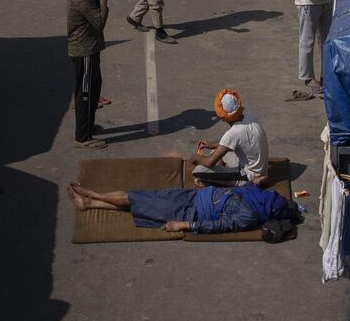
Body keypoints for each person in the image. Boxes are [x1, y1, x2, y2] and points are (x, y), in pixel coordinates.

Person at [66, 176, 299, 236]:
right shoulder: (254, 195)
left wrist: (183, 225)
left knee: (136, 199)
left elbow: (218, 226)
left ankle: (91, 195)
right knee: (144, 203)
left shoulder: (249, 215)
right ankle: (90, 203)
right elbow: (241, 187)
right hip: (190, 197)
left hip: (189, 210)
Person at [67, 0, 111, 149]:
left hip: (89, 50)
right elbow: (99, 22)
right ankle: (82, 137)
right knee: (85, 93)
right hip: (84, 51)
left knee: (93, 88)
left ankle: (88, 126)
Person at [191, 90, 270, 185]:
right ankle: (254, 176)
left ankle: (252, 182)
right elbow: (235, 142)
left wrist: (195, 158)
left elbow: (209, 162)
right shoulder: (248, 116)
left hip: (247, 175)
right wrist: (213, 145)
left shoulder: (233, 133)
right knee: (215, 151)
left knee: (199, 171)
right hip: (261, 168)